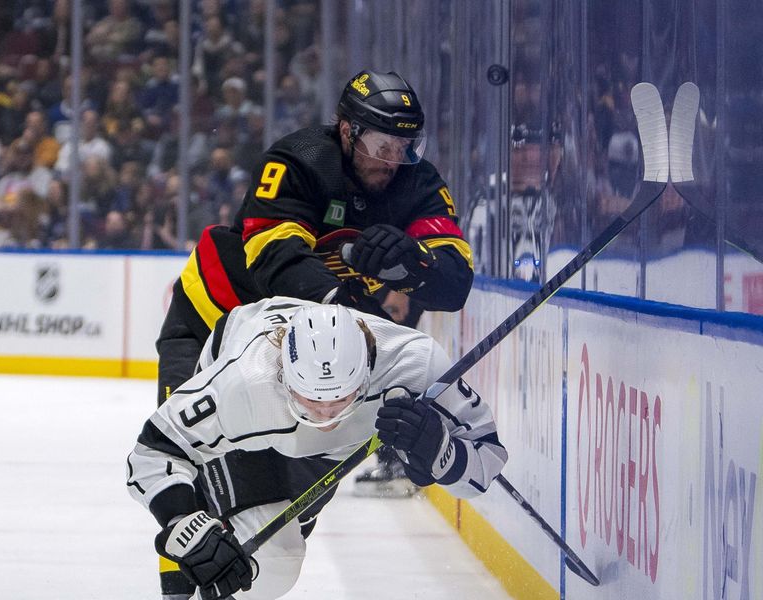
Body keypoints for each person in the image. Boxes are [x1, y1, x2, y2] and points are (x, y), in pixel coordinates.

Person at [154, 70, 474, 598]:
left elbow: (454, 282)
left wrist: (413, 263)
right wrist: (349, 305)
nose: (392, 159)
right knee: (187, 464)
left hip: (305, 348)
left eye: (404, 146)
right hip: (213, 316)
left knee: (291, 502)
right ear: (346, 132)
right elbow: (272, 258)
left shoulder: (418, 185)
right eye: (379, 144)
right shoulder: (299, 160)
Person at [128, 299, 507, 600]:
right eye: (309, 400)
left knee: (280, 550)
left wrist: (438, 447)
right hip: (248, 433)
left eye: (341, 400)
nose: (326, 416)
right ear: (283, 374)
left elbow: (487, 462)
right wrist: (182, 523)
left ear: (367, 374)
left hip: (324, 452)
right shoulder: (244, 382)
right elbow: (152, 452)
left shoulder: (414, 364)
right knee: (274, 558)